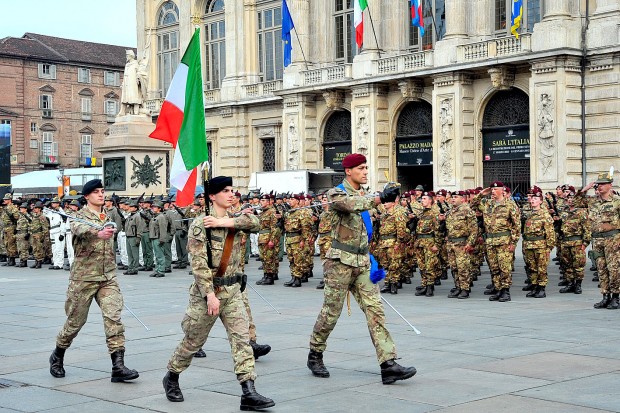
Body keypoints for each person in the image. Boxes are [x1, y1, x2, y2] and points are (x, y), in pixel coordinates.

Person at [163, 176, 274, 411]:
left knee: (242, 340)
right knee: (193, 341)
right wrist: (209, 295)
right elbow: (199, 264)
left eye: (233, 190)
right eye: (225, 191)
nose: (231, 194)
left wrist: (226, 224)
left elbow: (258, 222)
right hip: (209, 292)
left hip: (233, 291)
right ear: (212, 196)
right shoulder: (200, 224)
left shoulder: (236, 220)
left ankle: (248, 391)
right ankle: (172, 375)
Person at [307, 153, 416, 385]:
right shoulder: (336, 193)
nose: (366, 171)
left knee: (375, 311)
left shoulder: (363, 195)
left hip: (362, 263)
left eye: (367, 167)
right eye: (361, 168)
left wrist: (389, 197)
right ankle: (315, 353)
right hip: (339, 264)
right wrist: (378, 199)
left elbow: (370, 214)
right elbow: (349, 205)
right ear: (349, 171)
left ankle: (388, 364)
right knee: (331, 313)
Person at [49, 179, 139, 383]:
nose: (101, 194)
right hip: (84, 279)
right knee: (75, 322)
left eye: (102, 191)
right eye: (96, 192)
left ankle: (118, 366)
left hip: (107, 278)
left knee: (113, 318)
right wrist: (98, 232)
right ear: (87, 196)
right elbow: (79, 229)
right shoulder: (78, 216)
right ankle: (58, 354)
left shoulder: (107, 215)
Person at [471, 181, 521, 302]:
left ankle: (505, 291)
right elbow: (472, 205)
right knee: (494, 267)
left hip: (504, 241)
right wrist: (482, 194)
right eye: (492, 190)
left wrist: (513, 243)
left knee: (504, 267)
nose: (493, 191)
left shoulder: (510, 205)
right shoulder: (487, 204)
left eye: (495, 189)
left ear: (502, 190)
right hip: (490, 241)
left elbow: (517, 225)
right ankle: (498, 289)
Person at [580, 172, 620, 309]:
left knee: (613, 269)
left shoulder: (617, 202)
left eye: (603, 184)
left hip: (613, 240)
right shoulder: (593, 202)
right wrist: (585, 189)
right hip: (597, 240)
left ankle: (616, 297)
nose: (600, 186)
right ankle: (605, 296)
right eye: (598, 184)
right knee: (601, 269)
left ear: (610, 185)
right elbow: (574, 202)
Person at [521, 187, 555, 298]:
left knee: (541, 268)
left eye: (536, 198)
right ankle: (535, 287)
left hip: (541, 246)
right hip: (529, 246)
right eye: (532, 198)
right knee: (532, 268)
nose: (533, 200)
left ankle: (541, 288)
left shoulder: (545, 215)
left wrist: (548, 248)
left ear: (540, 201)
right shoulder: (529, 215)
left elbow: (550, 234)